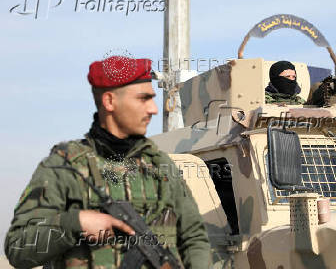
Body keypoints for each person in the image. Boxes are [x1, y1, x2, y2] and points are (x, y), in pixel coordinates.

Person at [4, 57, 211, 268]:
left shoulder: (162, 166)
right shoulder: (62, 168)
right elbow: (18, 248)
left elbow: (194, 239)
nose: (153, 109)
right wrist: (75, 223)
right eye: (143, 99)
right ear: (110, 102)